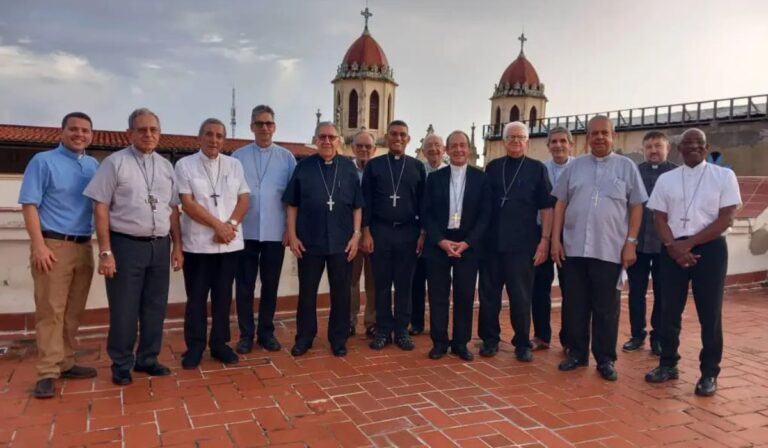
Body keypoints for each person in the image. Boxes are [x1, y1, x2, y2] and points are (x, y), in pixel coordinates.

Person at [84, 108, 183, 386]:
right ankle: (121, 362)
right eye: (142, 130)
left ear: (159, 134)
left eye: (153, 130)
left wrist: (177, 247)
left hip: (159, 246)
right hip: (126, 246)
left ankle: (148, 358)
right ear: (130, 133)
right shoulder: (115, 164)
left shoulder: (166, 166)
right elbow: (100, 206)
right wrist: (106, 251)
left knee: (155, 306)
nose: (148, 135)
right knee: (124, 308)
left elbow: (173, 210)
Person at [644, 128, 741, 397]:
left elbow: (727, 218)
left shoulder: (723, 176)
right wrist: (674, 247)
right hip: (672, 248)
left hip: (709, 249)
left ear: (706, 147)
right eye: (688, 143)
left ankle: (709, 373)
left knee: (709, 314)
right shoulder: (667, 179)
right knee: (668, 311)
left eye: (699, 143)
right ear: (679, 148)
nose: (693, 147)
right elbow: (659, 218)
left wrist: (689, 244)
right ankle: (667, 364)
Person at [551, 115, 647, 381]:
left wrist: (631, 243)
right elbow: (560, 202)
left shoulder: (626, 167)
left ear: (612, 135)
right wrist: (555, 240)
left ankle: (605, 359)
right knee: (575, 304)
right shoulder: (574, 167)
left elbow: (637, 205)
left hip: (610, 249)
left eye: (605, 133)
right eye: (595, 133)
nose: (600, 137)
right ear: (587, 137)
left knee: (606, 307)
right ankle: (577, 354)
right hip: (574, 248)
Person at [19, 112, 100, 398]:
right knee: (50, 310)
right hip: (52, 245)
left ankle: (66, 361)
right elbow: (29, 205)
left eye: (85, 130)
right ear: (62, 132)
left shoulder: (92, 165)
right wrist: (39, 245)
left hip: (83, 246)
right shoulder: (43, 161)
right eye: (74, 129)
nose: (80, 134)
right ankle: (47, 371)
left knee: (73, 311)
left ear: (92, 135)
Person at [174, 118, 250, 368]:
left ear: (224, 140)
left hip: (229, 244)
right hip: (198, 246)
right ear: (199, 137)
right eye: (209, 134)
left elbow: (244, 200)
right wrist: (218, 226)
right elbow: (188, 203)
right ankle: (195, 347)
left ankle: (219, 344)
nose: (214, 140)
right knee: (196, 298)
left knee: (223, 296)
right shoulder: (185, 165)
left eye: (219, 135)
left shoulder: (234, 165)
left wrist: (231, 225)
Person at [283, 122, 363, 357]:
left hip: (342, 241)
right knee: (307, 292)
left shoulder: (349, 169)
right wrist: (293, 235)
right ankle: (304, 338)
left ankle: (338, 339)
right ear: (316, 140)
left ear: (339, 140)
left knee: (342, 293)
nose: (327, 141)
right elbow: (292, 204)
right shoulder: (304, 167)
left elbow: (358, 206)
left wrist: (356, 236)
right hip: (309, 240)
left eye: (331, 137)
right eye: (322, 137)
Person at [478, 122, 554, 362]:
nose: (515, 142)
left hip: (523, 245)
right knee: (489, 294)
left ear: (527, 141)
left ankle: (522, 341)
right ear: (503, 141)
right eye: (511, 137)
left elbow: (547, 207)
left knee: (520, 296)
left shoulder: (537, 169)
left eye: (520, 137)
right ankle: (489, 339)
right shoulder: (492, 167)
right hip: (491, 244)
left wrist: (545, 241)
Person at [232, 105, 296, 354]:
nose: (264, 128)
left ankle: (266, 332)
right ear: (252, 127)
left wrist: (290, 230)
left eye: (268, 123)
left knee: (270, 285)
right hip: (244, 232)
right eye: (259, 123)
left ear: (275, 126)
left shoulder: (287, 157)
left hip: (275, 232)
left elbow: (292, 198)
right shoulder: (237, 157)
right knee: (245, 285)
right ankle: (246, 334)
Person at [422, 130, 490, 361]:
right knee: (438, 295)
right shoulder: (434, 178)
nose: (459, 150)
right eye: (454, 146)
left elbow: (485, 215)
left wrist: (468, 242)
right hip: (439, 243)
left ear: (469, 149)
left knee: (465, 295)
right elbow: (426, 213)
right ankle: (439, 342)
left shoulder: (481, 178)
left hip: (467, 245)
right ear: (446, 151)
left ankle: (461, 342)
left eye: (463, 146)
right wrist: (440, 240)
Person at [361, 120, 426, 351]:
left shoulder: (417, 167)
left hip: (408, 232)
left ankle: (401, 330)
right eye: (394, 134)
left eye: (402, 135)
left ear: (408, 139)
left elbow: (423, 204)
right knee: (381, 284)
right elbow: (365, 201)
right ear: (387, 137)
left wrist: (422, 233)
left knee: (404, 285)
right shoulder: (374, 166)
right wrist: (366, 233)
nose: (398, 138)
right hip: (380, 231)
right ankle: (382, 330)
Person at [622, 131, 677, 355]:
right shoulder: (635, 173)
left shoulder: (676, 174)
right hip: (639, 243)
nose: (653, 151)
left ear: (667, 148)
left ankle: (658, 337)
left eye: (658, 146)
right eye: (649, 147)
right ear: (644, 150)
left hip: (665, 244)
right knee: (636, 292)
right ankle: (637, 334)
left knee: (663, 293)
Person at [531, 127, 574, 352]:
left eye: (562, 141)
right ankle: (541, 336)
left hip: (570, 237)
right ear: (548, 146)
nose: (558, 145)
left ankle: (569, 339)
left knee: (571, 288)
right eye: (554, 142)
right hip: (543, 235)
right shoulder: (540, 169)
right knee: (540, 287)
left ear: (571, 143)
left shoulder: (579, 168)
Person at [410, 133, 446, 336]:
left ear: (444, 149)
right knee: (417, 280)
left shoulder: (450, 172)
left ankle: (437, 324)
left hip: (441, 236)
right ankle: (416, 322)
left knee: (437, 284)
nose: (433, 149)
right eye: (429, 146)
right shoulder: (418, 171)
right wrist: (422, 232)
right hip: (418, 234)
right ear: (423, 151)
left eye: (437, 145)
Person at [349, 131, 377, 338]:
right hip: (350, 236)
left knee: (373, 282)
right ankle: (349, 321)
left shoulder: (380, 170)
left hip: (375, 236)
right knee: (350, 282)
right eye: (360, 146)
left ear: (374, 149)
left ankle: (372, 322)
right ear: (352, 148)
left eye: (368, 147)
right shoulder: (345, 170)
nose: (364, 150)